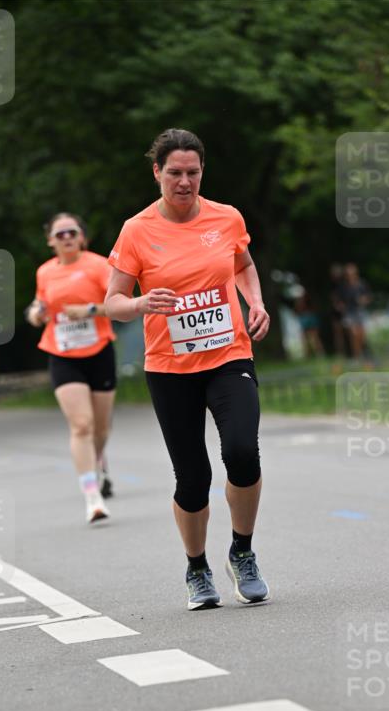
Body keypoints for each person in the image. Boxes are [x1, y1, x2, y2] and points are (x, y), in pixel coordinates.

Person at [105, 128, 270, 610]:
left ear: (203, 173)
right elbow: (112, 302)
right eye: (174, 173)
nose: (184, 182)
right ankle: (197, 567)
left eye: (192, 173)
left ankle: (242, 552)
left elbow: (243, 264)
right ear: (157, 173)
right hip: (170, 368)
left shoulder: (227, 217)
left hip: (228, 354)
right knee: (192, 477)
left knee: (242, 451)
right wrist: (140, 304)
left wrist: (254, 301)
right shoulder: (137, 230)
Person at [25, 212, 116, 523]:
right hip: (61, 353)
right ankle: (92, 496)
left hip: (99, 351)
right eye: (59, 234)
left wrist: (89, 310)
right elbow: (39, 305)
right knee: (81, 426)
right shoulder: (44, 272)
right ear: (50, 241)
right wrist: (36, 313)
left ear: (82, 237)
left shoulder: (98, 265)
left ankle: (98, 460)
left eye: (71, 232)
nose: (66, 238)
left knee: (101, 429)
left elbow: (119, 305)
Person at [339, 263, 371, 359]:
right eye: (348, 274)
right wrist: (341, 307)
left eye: (352, 273)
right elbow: (340, 300)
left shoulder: (361, 284)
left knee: (361, 335)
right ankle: (357, 356)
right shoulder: (344, 286)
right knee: (353, 334)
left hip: (360, 311)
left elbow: (368, 297)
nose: (350, 275)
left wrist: (363, 300)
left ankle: (363, 353)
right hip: (349, 312)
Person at [294, 289, 324, 358]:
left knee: (313, 337)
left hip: (308, 317)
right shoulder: (303, 300)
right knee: (307, 338)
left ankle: (317, 353)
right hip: (306, 317)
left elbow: (297, 310)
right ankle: (311, 354)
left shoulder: (305, 300)